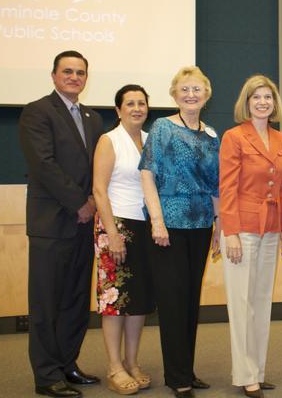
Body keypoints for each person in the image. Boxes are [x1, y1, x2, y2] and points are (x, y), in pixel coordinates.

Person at [19, 50, 104, 398]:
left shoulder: (93, 118)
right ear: (54, 75)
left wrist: (94, 201)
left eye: (80, 72)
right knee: (47, 302)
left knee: (75, 300)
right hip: (51, 224)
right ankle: (46, 375)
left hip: (84, 224)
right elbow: (44, 164)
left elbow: (99, 167)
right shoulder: (37, 112)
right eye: (67, 71)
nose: (74, 77)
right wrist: (79, 203)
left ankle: (68, 364)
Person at [139, 66, 221, 398]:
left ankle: (186, 369)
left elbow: (215, 185)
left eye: (196, 89)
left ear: (206, 95)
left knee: (190, 301)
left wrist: (219, 225)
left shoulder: (211, 135)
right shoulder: (162, 127)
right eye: (184, 89)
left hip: (201, 224)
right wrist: (156, 221)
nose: (191, 94)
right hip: (169, 225)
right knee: (173, 302)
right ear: (174, 94)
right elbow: (147, 173)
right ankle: (177, 377)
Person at [218, 75, 282, 398]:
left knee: (262, 302)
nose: (263, 102)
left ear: (274, 103)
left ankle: (258, 371)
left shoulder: (280, 138)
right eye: (256, 97)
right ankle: (245, 374)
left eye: (268, 97)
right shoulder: (234, 137)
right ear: (246, 103)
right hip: (243, 228)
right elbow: (227, 188)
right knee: (241, 303)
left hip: (272, 227)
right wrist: (230, 232)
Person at [92, 84, 155, 395]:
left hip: (145, 227)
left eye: (141, 103)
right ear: (118, 110)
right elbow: (99, 190)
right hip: (116, 225)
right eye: (129, 103)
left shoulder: (149, 140)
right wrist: (112, 234)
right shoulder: (109, 140)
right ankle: (114, 366)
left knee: (138, 299)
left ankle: (132, 361)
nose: (137, 108)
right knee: (114, 300)